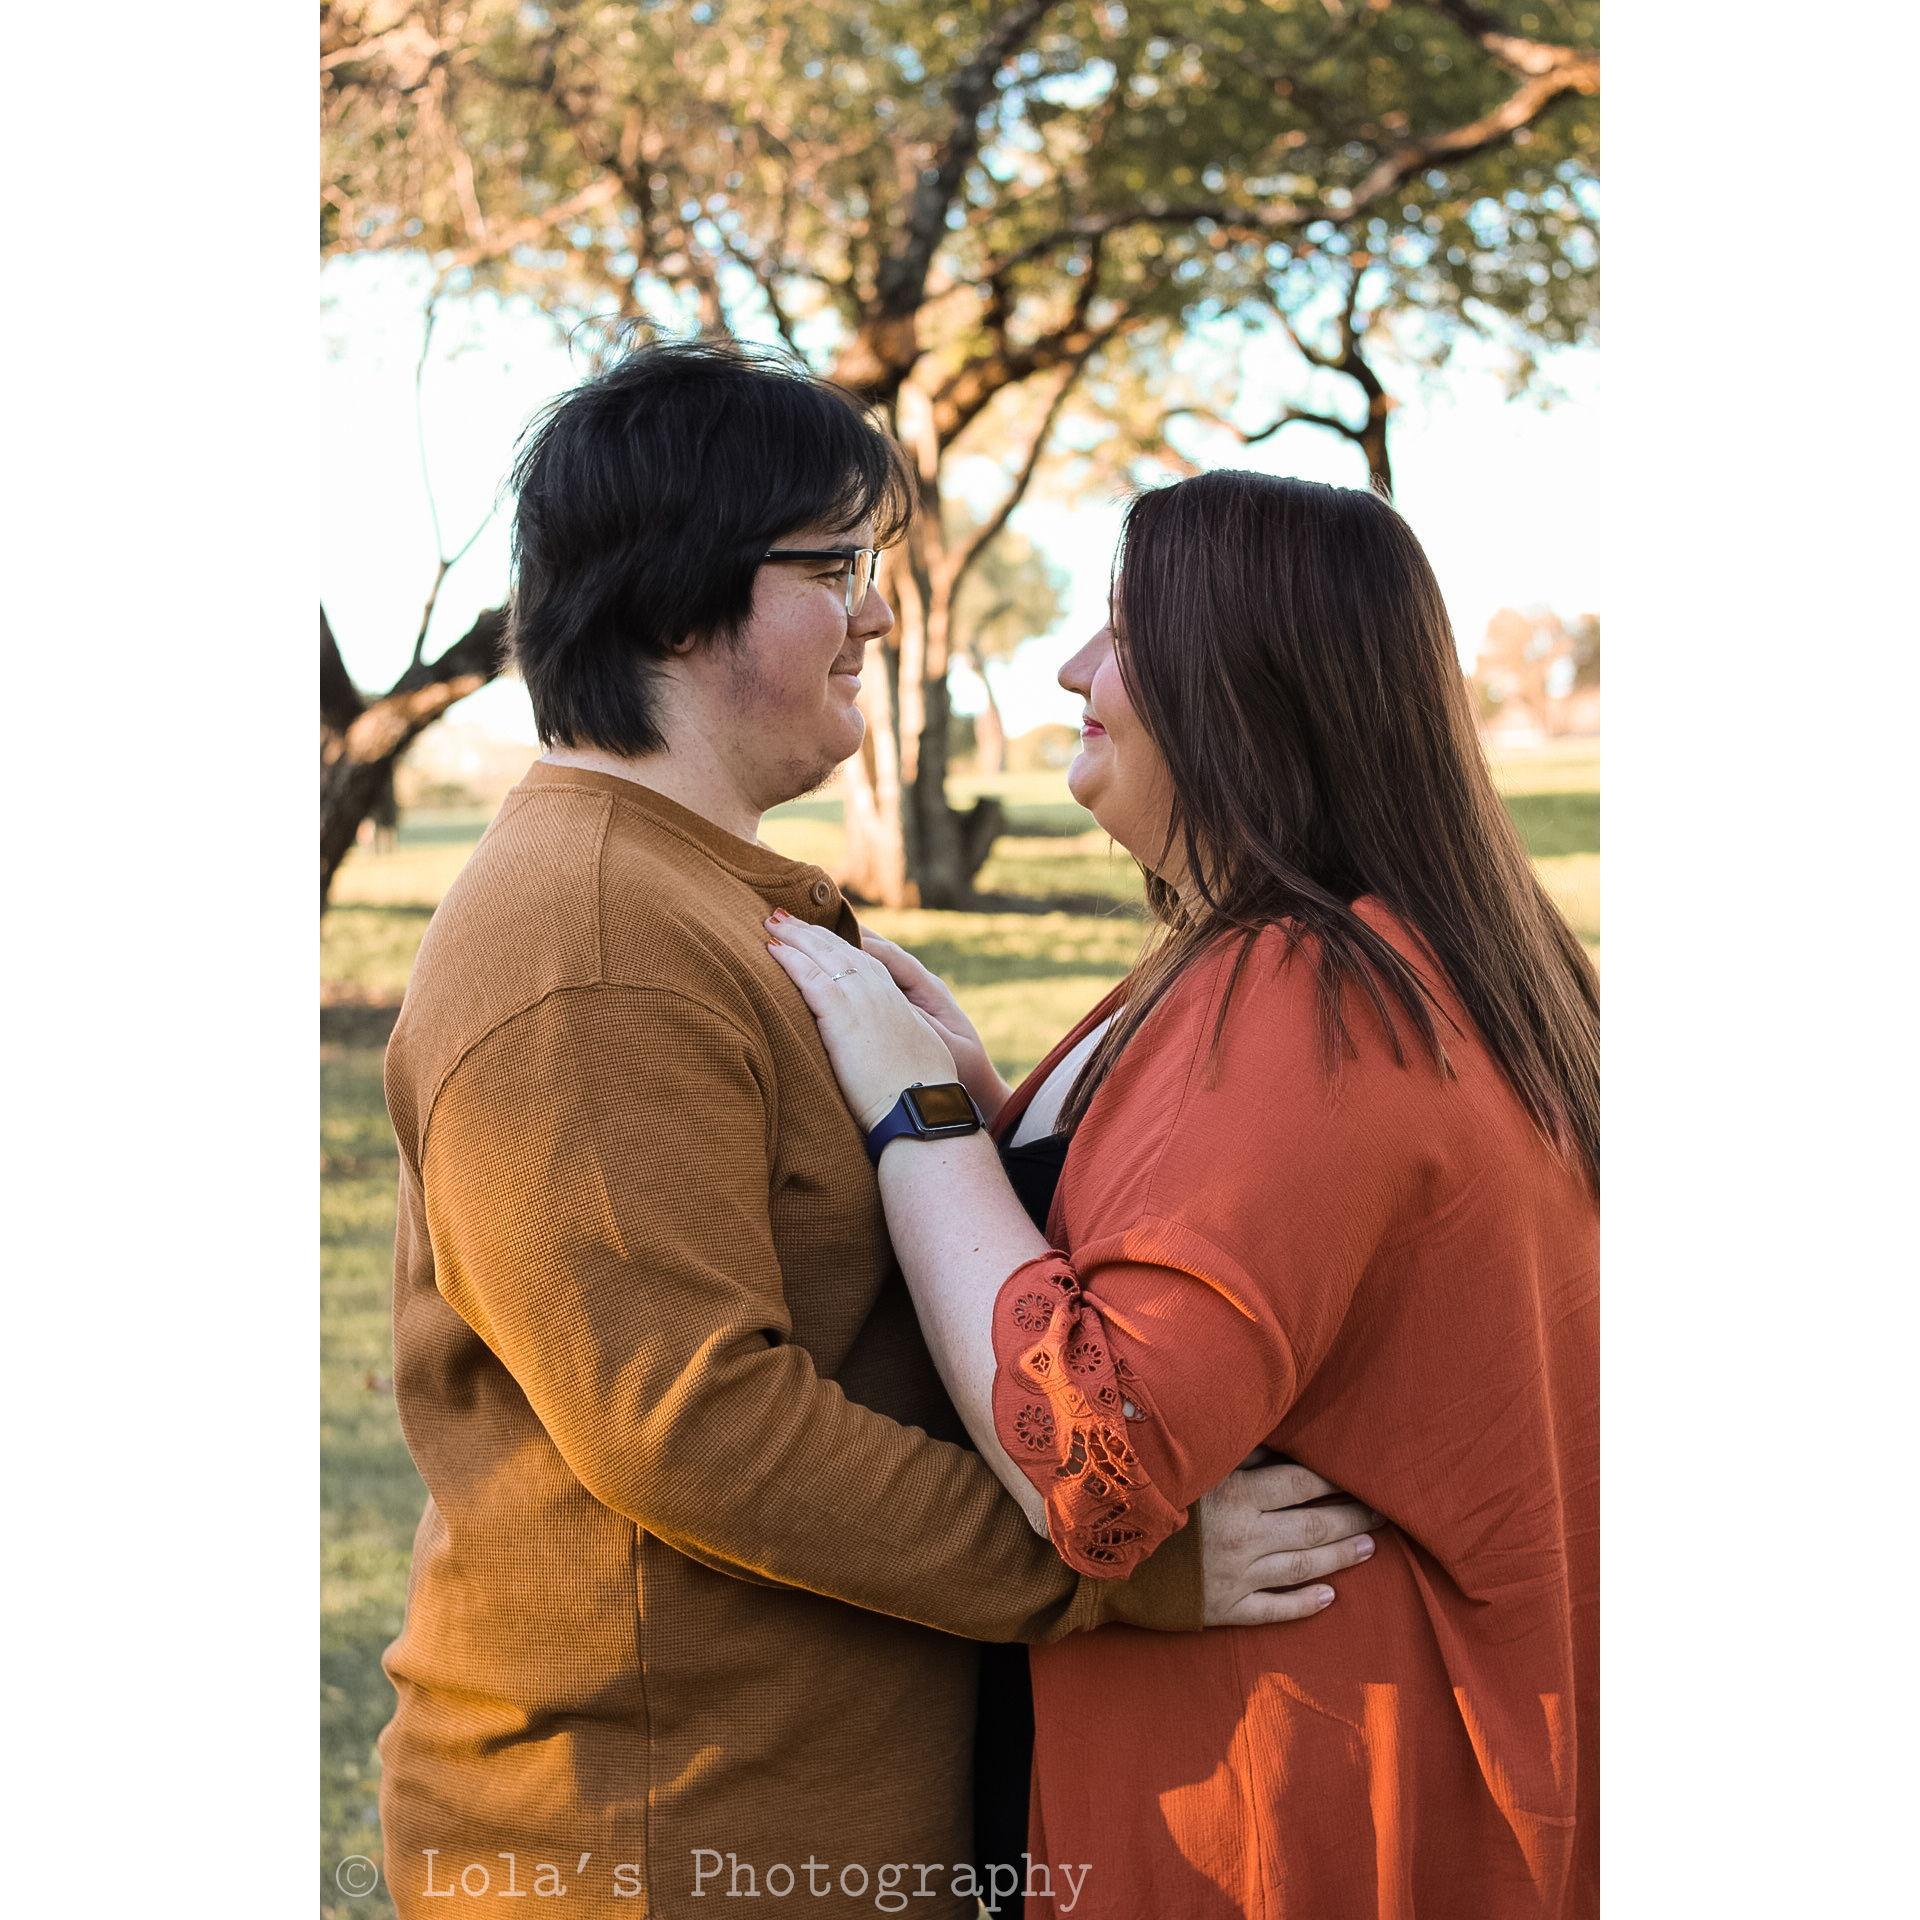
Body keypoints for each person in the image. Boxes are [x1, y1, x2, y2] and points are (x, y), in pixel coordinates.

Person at [376, 344, 1382, 1920]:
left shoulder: (701, 892)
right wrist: (1116, 1567)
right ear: (673, 602)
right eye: (835, 567)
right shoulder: (585, 942)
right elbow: (696, 1427)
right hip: (657, 1848)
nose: (883, 615)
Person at [768, 469, 1600, 1917]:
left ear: (1239, 685)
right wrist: (1003, 1105)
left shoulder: (1316, 1000)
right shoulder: (1351, 957)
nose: (1073, 670)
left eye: (1120, 630)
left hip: (1282, 1806)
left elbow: (1094, 1468)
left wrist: (924, 1120)